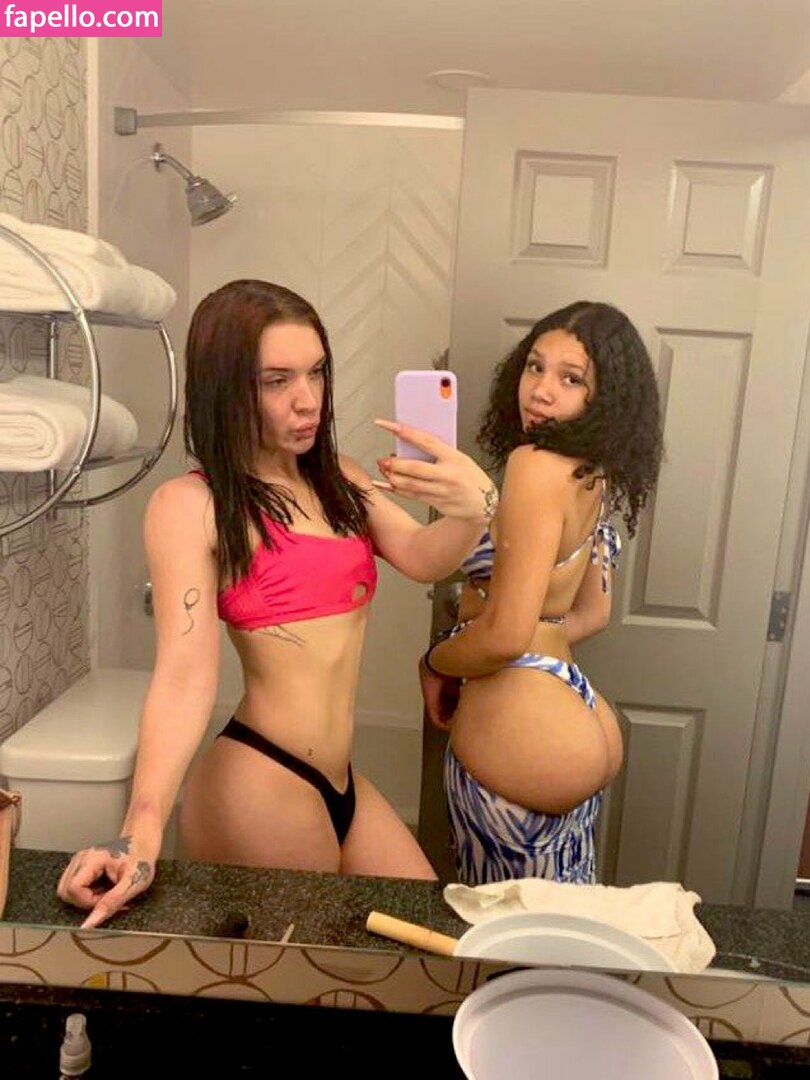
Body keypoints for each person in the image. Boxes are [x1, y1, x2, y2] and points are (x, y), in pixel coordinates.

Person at [57, 279, 498, 927]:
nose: (308, 399)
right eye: (277, 381)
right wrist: (140, 830)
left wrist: (474, 507)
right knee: (293, 981)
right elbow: (184, 677)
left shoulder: (340, 478)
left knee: (429, 935)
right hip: (260, 781)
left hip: (342, 782)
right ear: (228, 388)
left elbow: (424, 556)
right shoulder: (192, 506)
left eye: (316, 372)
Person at [420, 300, 663, 886]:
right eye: (535, 366)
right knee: (557, 934)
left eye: (570, 378)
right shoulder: (592, 473)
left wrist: (435, 661)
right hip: (572, 716)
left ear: (604, 398)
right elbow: (592, 614)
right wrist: (532, 639)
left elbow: (505, 636)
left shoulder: (533, 465)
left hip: (527, 738)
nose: (541, 390)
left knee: (503, 930)